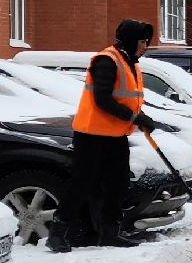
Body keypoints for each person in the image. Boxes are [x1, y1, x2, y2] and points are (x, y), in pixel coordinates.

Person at [57, 18, 158, 250]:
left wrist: (142, 117)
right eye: (143, 42)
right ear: (131, 40)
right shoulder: (106, 60)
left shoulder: (131, 63)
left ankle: (110, 233)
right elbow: (103, 100)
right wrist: (135, 118)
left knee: (119, 184)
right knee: (82, 184)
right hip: (91, 135)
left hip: (115, 136)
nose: (145, 46)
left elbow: (128, 100)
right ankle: (58, 232)